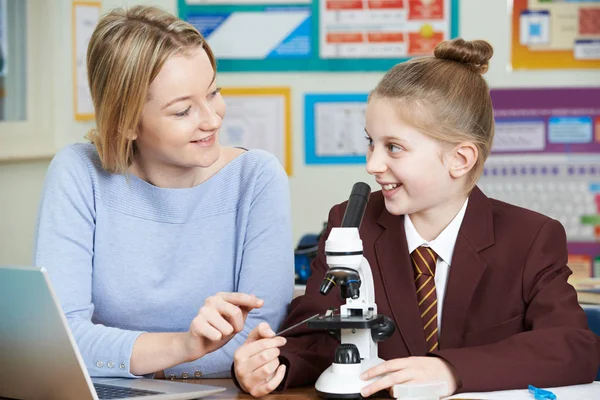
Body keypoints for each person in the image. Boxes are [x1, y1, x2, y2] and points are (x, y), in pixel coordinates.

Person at [232, 38, 600, 397]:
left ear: (461, 159)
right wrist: (273, 364)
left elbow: (573, 347)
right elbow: (314, 336)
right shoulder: (350, 222)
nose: (372, 164)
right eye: (370, 142)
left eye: (394, 147)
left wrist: (451, 370)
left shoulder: (529, 237)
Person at [33, 5, 293, 380]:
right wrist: (185, 346)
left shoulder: (256, 178)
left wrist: (124, 354)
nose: (212, 118)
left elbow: (258, 343)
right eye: (183, 110)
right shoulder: (79, 173)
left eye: (213, 92)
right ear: (126, 123)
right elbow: (60, 341)